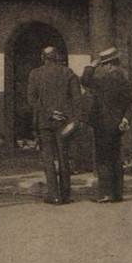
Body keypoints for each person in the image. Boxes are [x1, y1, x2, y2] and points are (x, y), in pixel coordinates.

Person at [26, 46, 81, 204]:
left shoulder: (35, 74)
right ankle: (65, 194)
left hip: (45, 121)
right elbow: (77, 99)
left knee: (48, 158)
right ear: (57, 57)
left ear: (43, 58)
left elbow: (31, 99)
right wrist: (71, 118)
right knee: (64, 157)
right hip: (64, 122)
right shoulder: (68, 73)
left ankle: (54, 194)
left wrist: (50, 113)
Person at [81, 46, 132, 203]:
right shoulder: (125, 81)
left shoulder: (104, 80)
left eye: (103, 65)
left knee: (103, 159)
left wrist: (91, 66)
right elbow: (131, 105)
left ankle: (106, 194)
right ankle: (117, 194)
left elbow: (85, 80)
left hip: (103, 125)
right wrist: (125, 119)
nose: (102, 68)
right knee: (115, 158)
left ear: (109, 65)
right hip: (117, 125)